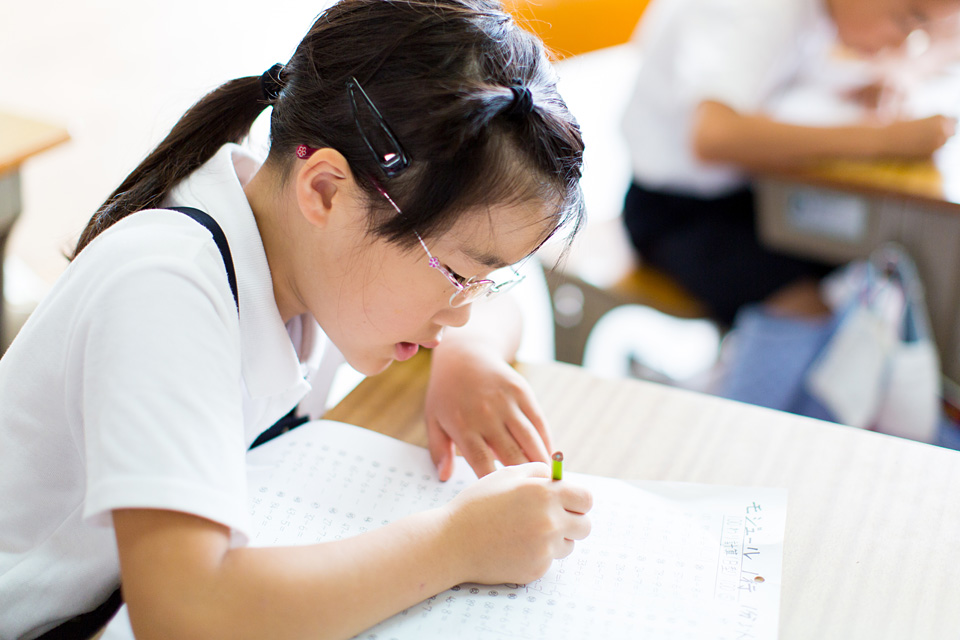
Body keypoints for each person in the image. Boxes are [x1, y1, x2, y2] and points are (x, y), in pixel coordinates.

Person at [0, 1, 594, 638]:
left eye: (483, 278)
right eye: (457, 274)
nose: (465, 307)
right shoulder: (165, 287)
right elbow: (184, 612)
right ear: (325, 190)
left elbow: (504, 301)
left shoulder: (312, 251)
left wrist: (467, 356)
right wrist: (457, 544)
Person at [620, 0, 960, 326]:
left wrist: (861, 88)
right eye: (906, 20)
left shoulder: (811, 14)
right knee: (820, 317)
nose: (902, 43)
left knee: (868, 267)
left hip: (747, 197)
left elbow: (770, 83)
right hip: (677, 212)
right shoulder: (761, 8)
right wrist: (883, 141)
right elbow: (712, 136)